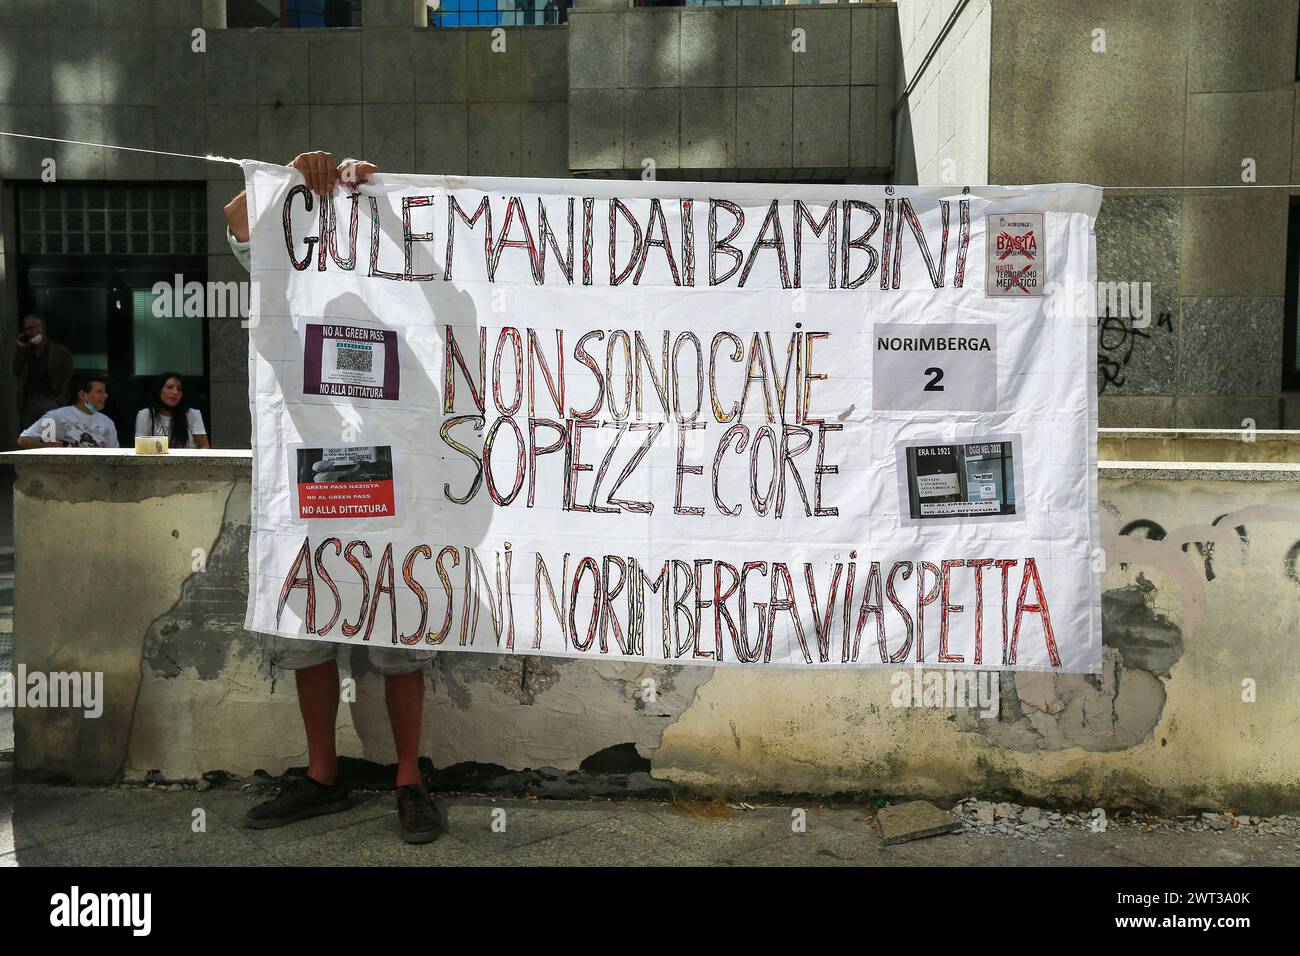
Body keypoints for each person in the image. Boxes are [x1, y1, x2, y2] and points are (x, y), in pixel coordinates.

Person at [225, 151, 445, 844]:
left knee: (397, 635)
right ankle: (324, 775)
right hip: (311, 483)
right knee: (305, 635)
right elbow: (237, 219)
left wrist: (382, 193)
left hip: (386, 486)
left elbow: (450, 293)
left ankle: (409, 779)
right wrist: (292, 175)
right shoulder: (282, 301)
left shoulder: (401, 323)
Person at [16, 373, 119, 449]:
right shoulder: (57, 416)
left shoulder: (107, 423)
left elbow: (114, 454)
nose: (105, 396)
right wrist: (45, 447)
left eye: (105, 392)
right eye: (99, 392)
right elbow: (23, 440)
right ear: (83, 395)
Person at [12, 314, 73, 438]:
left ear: (42, 328)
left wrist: (59, 401)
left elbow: (67, 377)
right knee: (30, 440)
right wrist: (21, 349)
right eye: (26, 330)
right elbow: (16, 371)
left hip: (50, 401)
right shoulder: (27, 351)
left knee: (49, 439)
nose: (28, 332)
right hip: (30, 402)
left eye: (32, 328)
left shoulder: (60, 352)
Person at [134, 372, 211, 449]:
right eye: (170, 387)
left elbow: (204, 446)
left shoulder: (192, 414)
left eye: (179, 389)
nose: (175, 392)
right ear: (159, 391)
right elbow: (141, 448)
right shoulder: (145, 415)